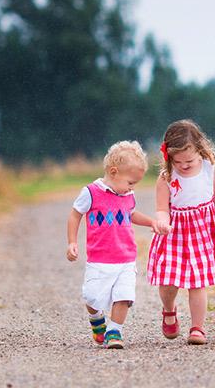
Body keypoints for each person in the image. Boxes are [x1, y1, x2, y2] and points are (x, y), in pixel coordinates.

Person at [66, 141, 164, 349]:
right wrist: (72, 242)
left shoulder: (127, 195)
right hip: (99, 259)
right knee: (92, 297)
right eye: (131, 182)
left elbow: (131, 214)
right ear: (113, 172)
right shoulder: (91, 192)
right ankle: (96, 319)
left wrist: (151, 222)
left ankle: (114, 331)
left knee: (124, 296)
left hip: (126, 258)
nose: (132, 188)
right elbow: (75, 215)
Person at [148, 119, 215, 345]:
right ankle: (169, 310)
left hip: (200, 232)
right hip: (173, 234)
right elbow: (161, 208)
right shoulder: (166, 178)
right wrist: (162, 221)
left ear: (200, 149)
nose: (184, 165)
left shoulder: (209, 169)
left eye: (189, 160)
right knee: (169, 282)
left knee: (197, 283)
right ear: (169, 157)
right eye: (177, 161)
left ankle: (197, 328)